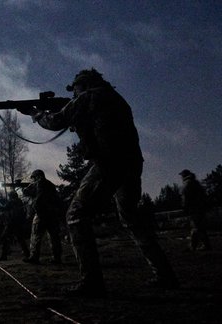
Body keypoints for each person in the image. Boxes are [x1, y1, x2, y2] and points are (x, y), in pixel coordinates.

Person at [31, 68, 179, 296]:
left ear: (84, 84)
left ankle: (91, 282)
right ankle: (165, 274)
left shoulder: (90, 96)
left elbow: (56, 121)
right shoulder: (115, 99)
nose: (74, 94)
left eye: (76, 88)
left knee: (76, 216)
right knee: (130, 217)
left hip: (110, 162)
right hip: (130, 162)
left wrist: (38, 115)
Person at [22, 169, 64, 264]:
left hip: (41, 213)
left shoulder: (38, 183)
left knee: (35, 236)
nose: (33, 180)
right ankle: (57, 258)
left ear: (37, 176)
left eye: (34, 178)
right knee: (54, 237)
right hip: (52, 214)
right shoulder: (50, 185)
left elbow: (28, 193)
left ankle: (34, 257)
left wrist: (34, 205)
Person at [179, 169, 212, 251]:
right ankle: (196, 245)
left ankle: (197, 245)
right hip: (201, 207)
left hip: (194, 208)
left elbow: (185, 197)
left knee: (196, 227)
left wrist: (184, 207)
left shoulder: (187, 184)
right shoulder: (196, 183)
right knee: (199, 227)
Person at [0, 191, 31, 261]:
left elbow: (4, 208)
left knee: (4, 237)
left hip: (12, 223)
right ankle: (27, 254)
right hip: (17, 223)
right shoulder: (19, 201)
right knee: (20, 239)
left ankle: (4, 256)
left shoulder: (12, 202)